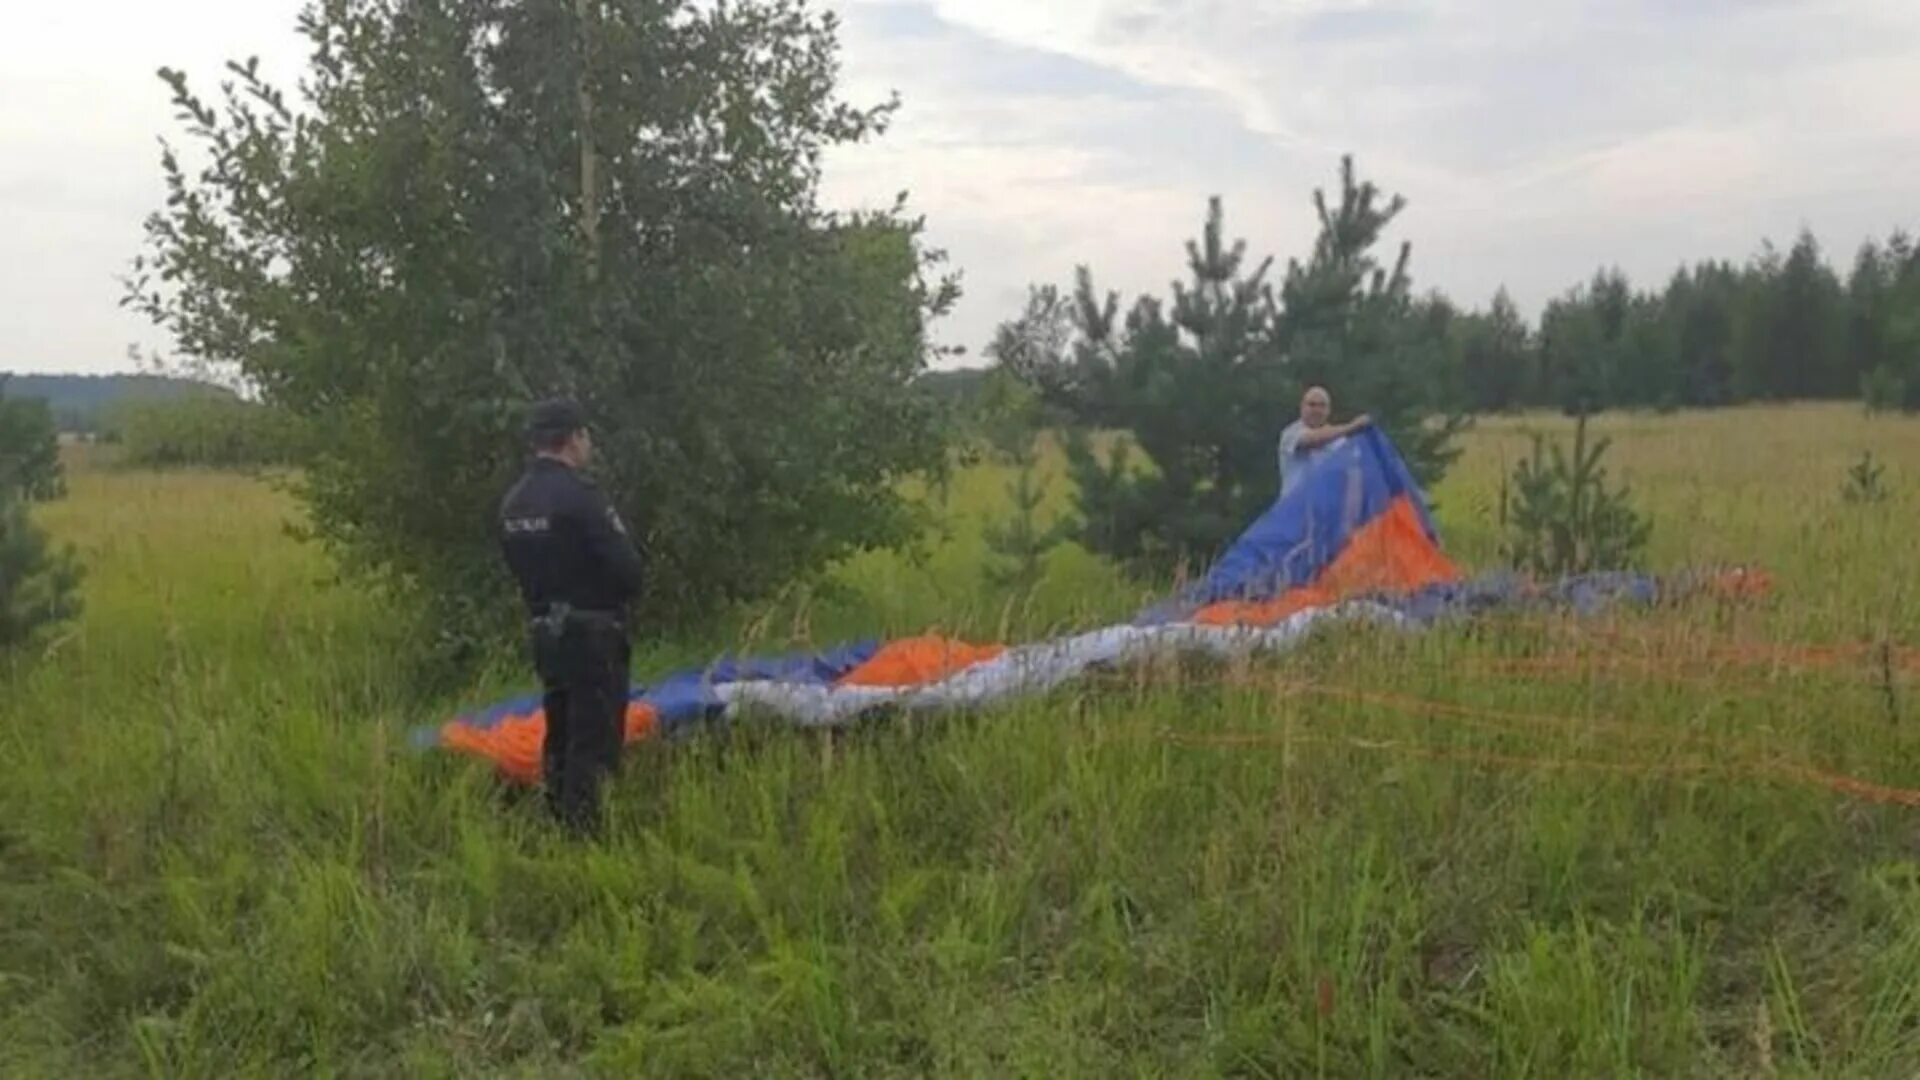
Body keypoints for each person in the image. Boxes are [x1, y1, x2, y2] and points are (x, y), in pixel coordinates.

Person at [497, 399, 645, 836]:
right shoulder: (581, 498)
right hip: (593, 633)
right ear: (574, 438)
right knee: (594, 740)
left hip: (545, 632)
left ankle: (557, 823)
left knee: (558, 732)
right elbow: (627, 570)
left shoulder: (514, 502)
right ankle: (588, 840)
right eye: (585, 436)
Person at [1277, 385, 1370, 498]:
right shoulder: (1291, 433)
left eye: (1322, 406)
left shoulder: (1340, 442)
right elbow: (1312, 440)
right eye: (1312, 405)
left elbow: (1353, 475)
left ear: (1328, 410)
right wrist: (1352, 426)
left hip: (1325, 508)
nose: (1317, 410)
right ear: (1302, 407)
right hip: (1295, 509)